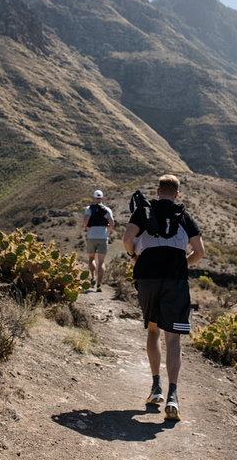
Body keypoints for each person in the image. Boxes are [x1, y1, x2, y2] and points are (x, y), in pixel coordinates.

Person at [122, 174, 204, 421]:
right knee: (174, 339)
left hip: (147, 278)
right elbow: (200, 251)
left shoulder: (143, 213)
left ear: (158, 191)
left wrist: (135, 258)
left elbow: (127, 239)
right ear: (177, 194)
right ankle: (173, 396)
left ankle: (155, 387)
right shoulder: (185, 217)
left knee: (153, 331)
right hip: (175, 280)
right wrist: (183, 265)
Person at [83, 190, 114, 292]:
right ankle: (99, 284)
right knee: (101, 262)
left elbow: (85, 221)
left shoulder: (89, 208)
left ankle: (92, 277)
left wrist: (85, 226)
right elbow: (112, 225)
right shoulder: (107, 210)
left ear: (94, 198)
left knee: (91, 258)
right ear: (102, 198)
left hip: (91, 236)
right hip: (103, 237)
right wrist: (107, 226)